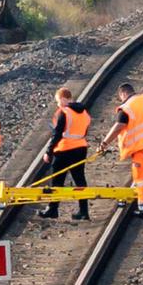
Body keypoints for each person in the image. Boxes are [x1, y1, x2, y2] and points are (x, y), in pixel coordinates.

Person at [98, 82, 143, 217]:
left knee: (142, 178)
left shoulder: (126, 107)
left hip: (142, 148)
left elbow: (118, 126)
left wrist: (104, 143)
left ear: (122, 94)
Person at [40, 86, 93, 220]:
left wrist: (48, 152)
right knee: (80, 180)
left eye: (58, 101)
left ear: (63, 99)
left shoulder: (64, 112)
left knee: (57, 180)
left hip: (64, 150)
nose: (58, 104)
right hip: (81, 148)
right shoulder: (84, 112)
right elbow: (85, 131)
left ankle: (52, 209)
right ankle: (84, 211)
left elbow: (57, 134)